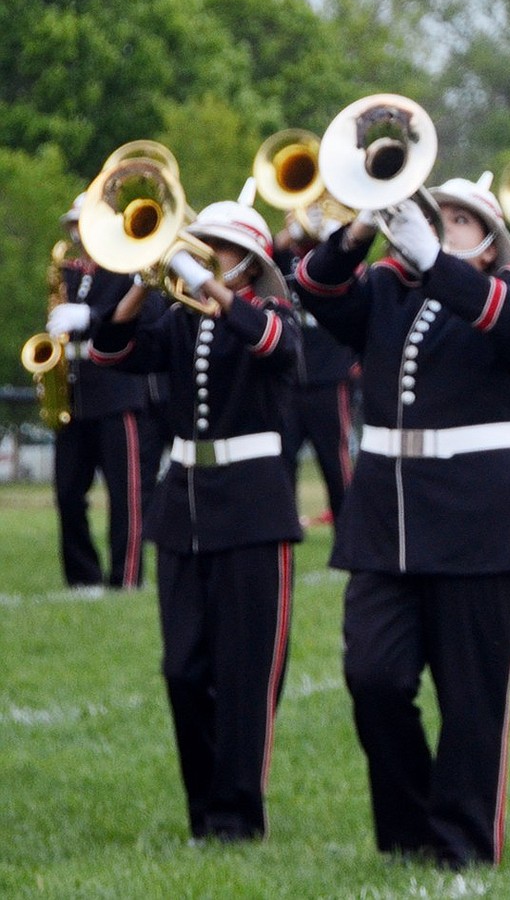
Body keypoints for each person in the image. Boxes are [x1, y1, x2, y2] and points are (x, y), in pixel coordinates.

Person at [294, 174, 510, 868]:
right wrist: (357, 230)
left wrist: (438, 265)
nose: (440, 226)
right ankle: (409, 830)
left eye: (460, 221)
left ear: (492, 244)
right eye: (434, 216)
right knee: (373, 677)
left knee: (472, 701)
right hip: (386, 519)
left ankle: (463, 846)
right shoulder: (383, 289)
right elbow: (312, 289)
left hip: (481, 520)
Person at [90, 194, 302, 842]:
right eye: (203, 246)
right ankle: (202, 811)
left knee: (245, 671)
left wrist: (208, 280)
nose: (209, 258)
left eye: (223, 249)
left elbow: (272, 343)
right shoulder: (179, 319)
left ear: (251, 261)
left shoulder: (273, 311)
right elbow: (108, 351)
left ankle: (237, 818)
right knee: (182, 669)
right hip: (182, 505)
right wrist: (139, 279)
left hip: (253, 507)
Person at [44, 194, 151, 590]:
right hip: (74, 393)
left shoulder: (127, 269)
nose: (75, 233)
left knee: (126, 496)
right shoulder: (70, 273)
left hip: (117, 389)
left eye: (82, 224)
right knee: (68, 492)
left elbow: (143, 318)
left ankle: (126, 578)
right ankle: (81, 578)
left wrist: (91, 316)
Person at [272, 212, 356, 529]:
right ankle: (285, 529)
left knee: (335, 463)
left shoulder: (331, 255)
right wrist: (288, 234)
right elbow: (260, 258)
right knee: (283, 461)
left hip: (329, 377)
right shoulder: (281, 257)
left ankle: (348, 534)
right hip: (289, 379)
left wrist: (325, 232)